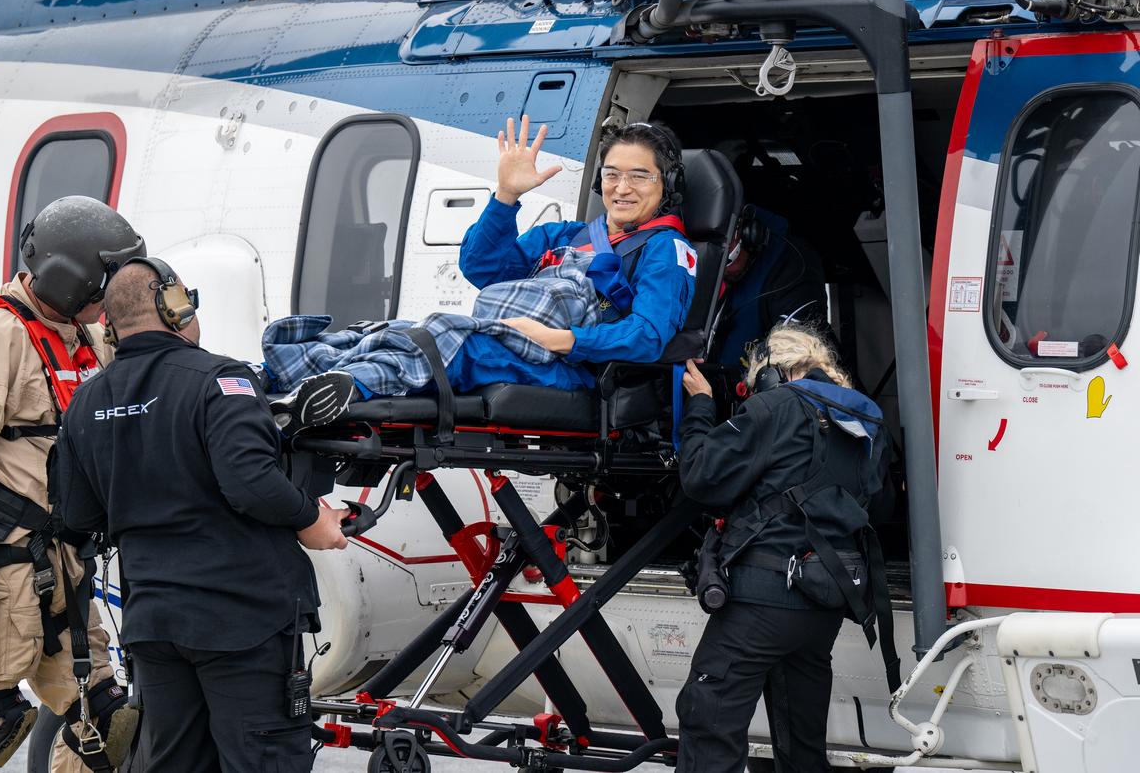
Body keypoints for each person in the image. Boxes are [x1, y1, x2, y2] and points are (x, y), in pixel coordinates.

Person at [54, 258, 351, 772]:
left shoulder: (85, 402)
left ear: (109, 322)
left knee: (174, 762)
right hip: (242, 619)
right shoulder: (220, 380)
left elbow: (77, 518)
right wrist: (313, 520)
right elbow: (252, 482)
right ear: (175, 307)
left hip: (155, 623)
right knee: (262, 759)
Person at [264, 115, 698, 426]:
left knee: (455, 343)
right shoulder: (567, 235)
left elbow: (648, 336)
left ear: (667, 186)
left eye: (640, 177)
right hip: (512, 340)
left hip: (572, 368)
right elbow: (484, 268)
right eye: (612, 175)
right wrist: (506, 196)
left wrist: (563, 339)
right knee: (398, 330)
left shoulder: (666, 250)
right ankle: (284, 375)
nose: (622, 188)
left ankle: (348, 390)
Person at [0, 195, 145, 772]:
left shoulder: (82, 336)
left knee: (104, 720)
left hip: (65, 565)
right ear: (74, 280)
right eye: (106, 282)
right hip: (0, 572)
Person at [674, 323, 898, 773]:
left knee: (709, 712)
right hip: (827, 602)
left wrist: (701, 407)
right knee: (801, 737)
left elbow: (700, 474)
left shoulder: (774, 406)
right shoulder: (869, 418)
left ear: (774, 372)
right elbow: (885, 506)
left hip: (763, 597)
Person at [711, 204, 831, 367]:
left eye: (728, 260)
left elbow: (799, 366)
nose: (721, 273)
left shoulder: (793, 267)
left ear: (749, 234)